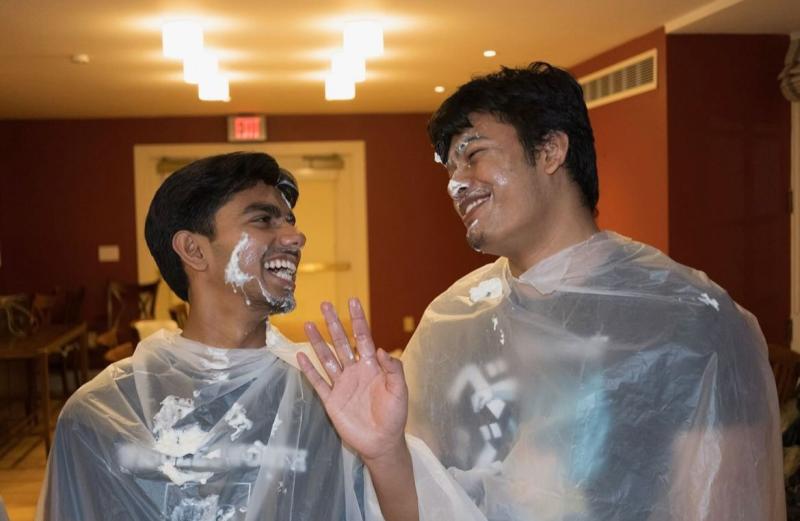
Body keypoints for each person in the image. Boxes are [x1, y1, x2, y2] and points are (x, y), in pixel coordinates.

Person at [298, 63, 785, 521]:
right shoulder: (452, 324)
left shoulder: (694, 321)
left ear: (551, 151)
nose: (456, 185)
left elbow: (727, 502)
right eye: (449, 168)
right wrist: (385, 454)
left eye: (473, 154)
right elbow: (428, 508)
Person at [37, 152, 364, 520]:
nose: (295, 236)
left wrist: (385, 452)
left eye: (289, 220)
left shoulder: (326, 396)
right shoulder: (100, 415)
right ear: (193, 249)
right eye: (263, 219)